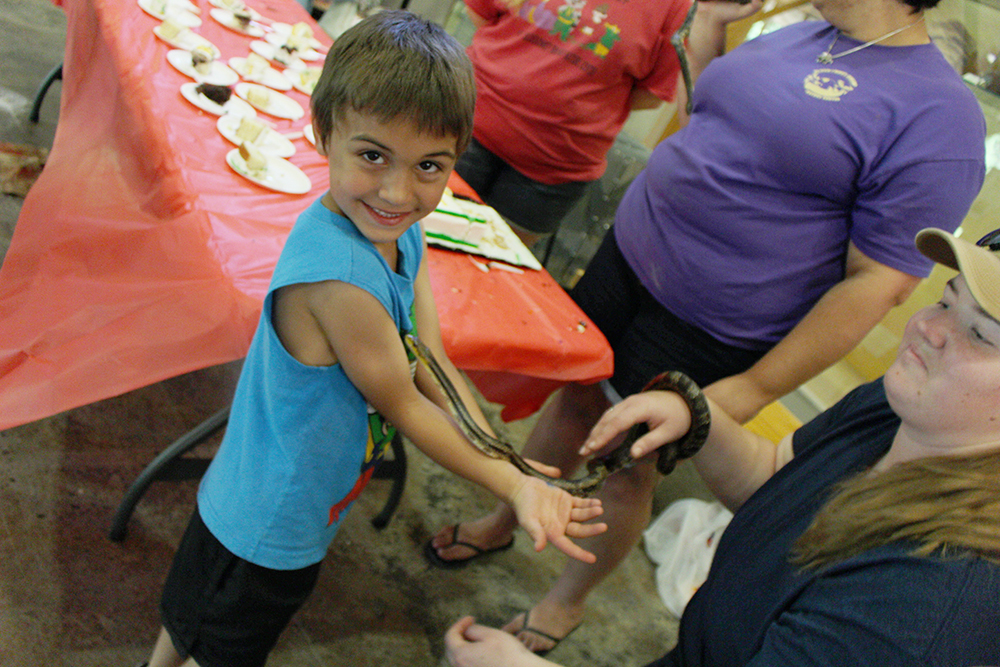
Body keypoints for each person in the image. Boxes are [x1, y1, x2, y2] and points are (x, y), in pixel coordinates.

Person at [427, 0, 988, 652]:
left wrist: (747, 391)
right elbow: (709, 120)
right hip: (631, 255)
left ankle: (565, 601)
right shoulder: (806, 33)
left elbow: (877, 283)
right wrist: (713, 28)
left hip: (716, 319)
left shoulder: (938, 117)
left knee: (630, 465)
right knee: (576, 394)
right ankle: (509, 512)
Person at [140, 12, 606, 667]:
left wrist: (515, 462)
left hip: (278, 499)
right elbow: (409, 404)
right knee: (216, 645)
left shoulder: (397, 233)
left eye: (429, 166)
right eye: (372, 155)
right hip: (265, 522)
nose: (398, 190)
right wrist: (511, 485)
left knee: (193, 621)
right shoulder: (343, 279)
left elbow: (434, 364)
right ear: (323, 132)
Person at [444, 225, 1000, 666]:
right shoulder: (902, 407)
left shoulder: (927, 610)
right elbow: (778, 479)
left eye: (980, 334)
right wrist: (694, 416)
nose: (930, 329)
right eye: (946, 302)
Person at [452, 0, 700, 248]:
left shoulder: (677, 7)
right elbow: (480, 12)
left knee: (490, 267)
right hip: (463, 127)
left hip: (553, 170)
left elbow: (651, 94)